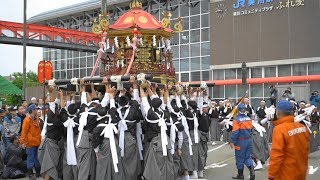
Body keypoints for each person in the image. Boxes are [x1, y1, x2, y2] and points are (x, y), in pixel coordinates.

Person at [268, 100, 309, 180]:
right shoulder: (302, 127)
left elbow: (276, 155)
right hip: (301, 171)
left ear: (278, 112)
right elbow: (305, 150)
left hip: (286, 173)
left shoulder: (279, 129)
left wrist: (271, 175)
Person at [38, 87, 64, 180]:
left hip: (52, 143)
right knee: (49, 166)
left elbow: (57, 105)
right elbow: (53, 104)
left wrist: (59, 96)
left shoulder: (56, 116)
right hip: (50, 143)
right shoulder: (50, 117)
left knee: (51, 165)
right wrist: (51, 92)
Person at [229, 104, 255, 180]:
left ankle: (240, 175)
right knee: (247, 157)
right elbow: (251, 129)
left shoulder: (236, 120)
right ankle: (252, 171)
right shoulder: (248, 118)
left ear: (238, 111)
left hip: (240, 141)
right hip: (248, 140)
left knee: (239, 158)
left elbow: (235, 132)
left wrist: (231, 141)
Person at [20, 104, 41, 179]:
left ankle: (38, 172)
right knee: (31, 158)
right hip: (30, 142)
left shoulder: (37, 118)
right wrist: (23, 142)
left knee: (36, 157)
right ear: (32, 110)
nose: (37, 110)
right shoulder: (27, 120)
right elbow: (24, 132)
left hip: (36, 142)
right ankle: (31, 174)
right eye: (35, 109)